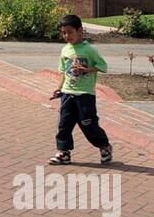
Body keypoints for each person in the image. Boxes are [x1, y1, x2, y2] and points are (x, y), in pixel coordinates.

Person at [48, 14, 113, 166]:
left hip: (85, 94)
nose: (66, 36)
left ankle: (104, 146)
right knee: (64, 123)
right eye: (63, 33)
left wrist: (87, 69)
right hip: (68, 93)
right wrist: (59, 90)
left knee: (88, 123)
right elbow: (64, 72)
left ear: (80, 31)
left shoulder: (89, 49)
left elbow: (102, 66)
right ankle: (64, 153)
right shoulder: (65, 50)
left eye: (70, 32)